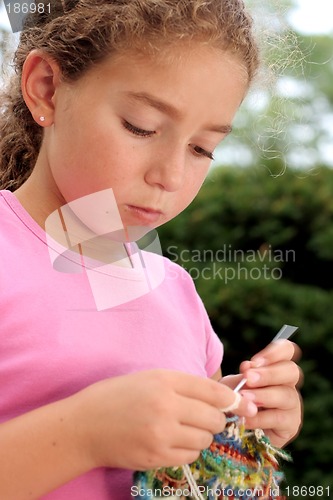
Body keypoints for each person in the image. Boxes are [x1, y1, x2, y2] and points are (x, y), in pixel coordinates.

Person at [0, 1, 302, 498]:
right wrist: (83, 435)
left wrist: (237, 423)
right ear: (47, 89)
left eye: (202, 148)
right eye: (141, 127)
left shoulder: (176, 291)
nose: (171, 177)